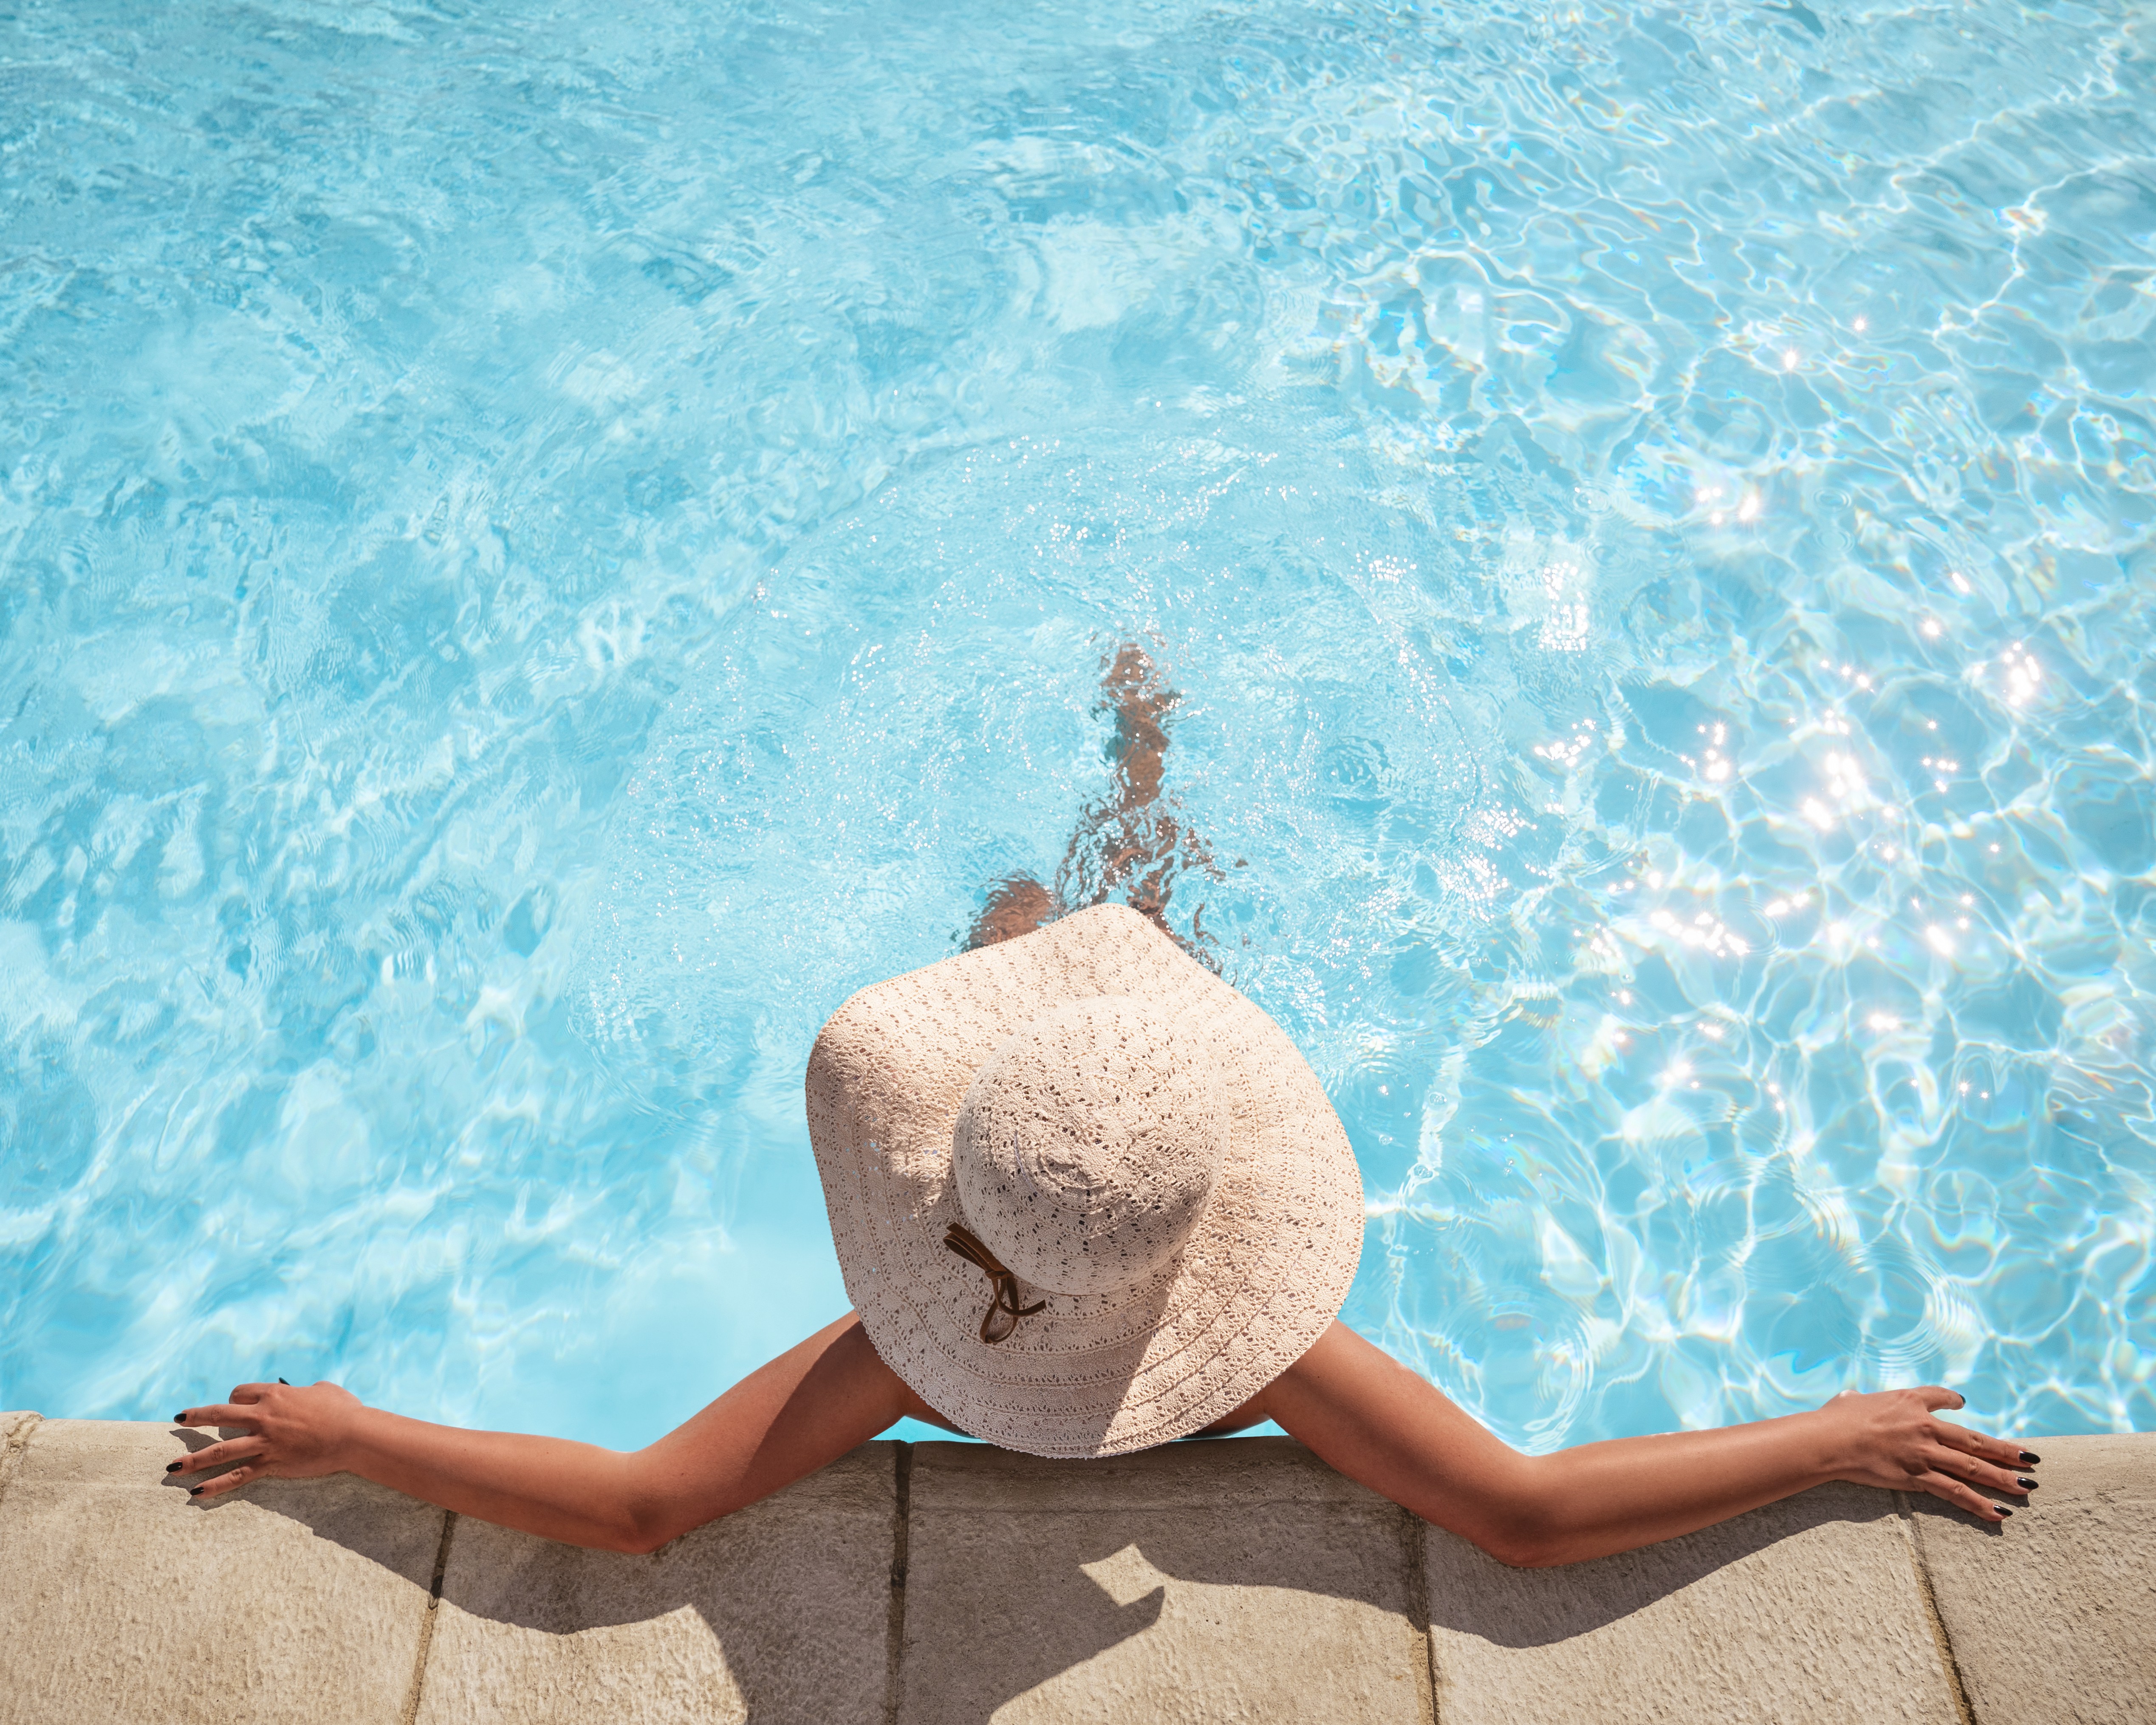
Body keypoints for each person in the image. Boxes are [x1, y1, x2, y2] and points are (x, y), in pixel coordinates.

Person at [168, 647, 2040, 1565]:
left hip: (1067, 1122)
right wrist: (1826, 1436)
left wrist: (359, 1433)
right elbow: (1524, 1516)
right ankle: (1141, 767)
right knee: (1115, 935)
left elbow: (650, 1506)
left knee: (1036, 933)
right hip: (1116, 1129)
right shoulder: (1269, 1354)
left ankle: (1122, 789)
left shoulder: (912, 1353)